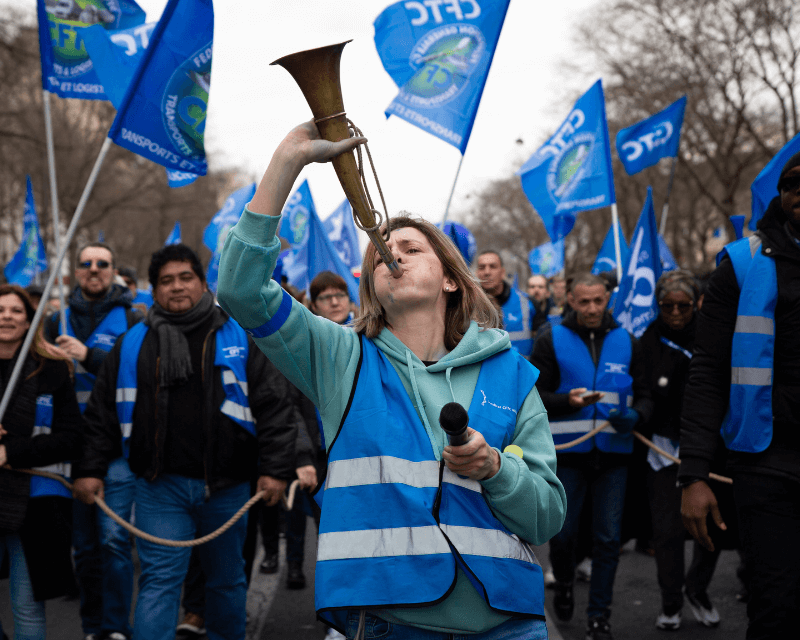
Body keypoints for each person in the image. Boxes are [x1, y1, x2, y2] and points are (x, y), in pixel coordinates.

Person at [215, 120, 566, 640]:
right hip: (386, 623)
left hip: (506, 624)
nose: (390, 252)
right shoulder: (340, 357)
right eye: (379, 251)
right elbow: (240, 289)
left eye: (410, 246)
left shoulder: (511, 372)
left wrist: (495, 468)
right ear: (371, 288)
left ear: (450, 278)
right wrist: (288, 158)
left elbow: (546, 518)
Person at [72, 243, 298, 640]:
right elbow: (101, 415)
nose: (176, 287)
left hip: (228, 487)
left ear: (202, 282)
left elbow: (274, 405)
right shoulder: (132, 342)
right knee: (159, 583)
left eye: (185, 278)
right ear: (154, 291)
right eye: (166, 281)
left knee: (227, 583)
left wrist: (277, 471)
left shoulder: (240, 334)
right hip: (160, 488)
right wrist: (89, 471)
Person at [679, 152, 800, 639]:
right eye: (794, 185)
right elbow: (706, 370)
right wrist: (693, 475)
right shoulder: (742, 263)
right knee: (776, 607)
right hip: (765, 462)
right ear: (782, 196)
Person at [531, 272, 652, 640]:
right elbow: (534, 395)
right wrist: (566, 401)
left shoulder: (627, 340)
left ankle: (600, 615)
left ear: (608, 299)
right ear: (570, 299)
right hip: (568, 457)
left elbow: (646, 393)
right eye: (584, 302)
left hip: (614, 455)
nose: (592, 308)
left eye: (599, 301)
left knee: (608, 539)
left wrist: (637, 416)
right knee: (564, 536)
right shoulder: (551, 338)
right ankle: (564, 581)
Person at [44, 242, 143, 640]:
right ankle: (92, 627)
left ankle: (116, 627)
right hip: (70, 448)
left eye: (102, 263)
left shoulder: (133, 318)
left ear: (113, 271)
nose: (94, 269)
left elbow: (134, 372)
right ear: (75, 272)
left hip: (116, 448)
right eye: (86, 263)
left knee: (115, 543)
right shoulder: (56, 320)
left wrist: (88, 356)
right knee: (83, 550)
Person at [639, 271, 731, 630]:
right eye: (667, 306)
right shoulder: (646, 341)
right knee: (668, 531)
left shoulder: (712, 336)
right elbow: (644, 389)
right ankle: (671, 601)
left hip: (709, 449)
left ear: (697, 304)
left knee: (714, 525)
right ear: (658, 305)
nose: (675, 312)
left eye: (684, 305)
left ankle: (698, 588)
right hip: (663, 449)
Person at [0, 284, 83, 640]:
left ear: (29, 319)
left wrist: (11, 451)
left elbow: (71, 438)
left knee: (27, 607)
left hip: (34, 503)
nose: (6, 316)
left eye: (16, 311)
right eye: (0, 309)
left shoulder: (52, 368)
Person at [476, 250, 539, 356]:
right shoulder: (464, 306)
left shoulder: (529, 303)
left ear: (503, 272)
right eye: (482, 267)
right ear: (477, 273)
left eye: (493, 266)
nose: (487, 272)